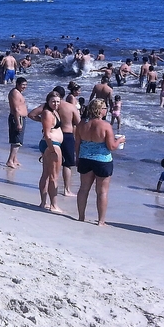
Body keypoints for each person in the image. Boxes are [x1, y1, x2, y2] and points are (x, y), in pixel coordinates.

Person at [74, 98, 124, 226]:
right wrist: (120, 141)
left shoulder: (81, 124)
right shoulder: (105, 125)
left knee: (84, 189)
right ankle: (101, 221)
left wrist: (78, 158)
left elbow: (77, 144)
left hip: (85, 158)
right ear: (100, 110)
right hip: (102, 160)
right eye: (105, 108)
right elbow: (111, 147)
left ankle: (81, 216)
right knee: (102, 192)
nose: (106, 110)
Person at [34, 91, 64, 212]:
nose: (56, 103)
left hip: (50, 144)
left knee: (47, 174)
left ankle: (43, 203)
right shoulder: (47, 113)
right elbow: (46, 133)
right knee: (53, 176)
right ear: (48, 101)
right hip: (51, 145)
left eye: (57, 101)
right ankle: (53, 205)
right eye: (53, 101)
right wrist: (52, 150)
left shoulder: (54, 112)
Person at [5, 77, 28, 168]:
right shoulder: (15, 93)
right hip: (17, 118)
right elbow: (16, 109)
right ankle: (10, 160)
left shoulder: (18, 93)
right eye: (23, 85)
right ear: (17, 84)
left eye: (26, 85)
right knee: (16, 141)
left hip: (20, 118)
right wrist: (18, 123)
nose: (24, 87)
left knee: (17, 140)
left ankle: (14, 159)